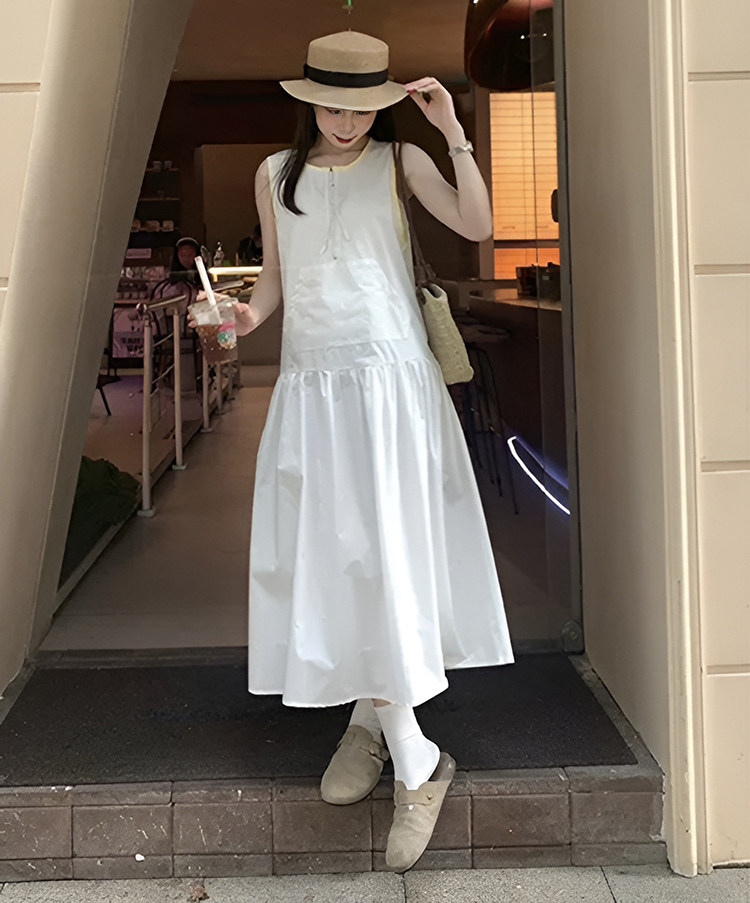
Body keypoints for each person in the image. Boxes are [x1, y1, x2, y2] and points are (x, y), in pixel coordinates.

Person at [206, 31, 514, 872]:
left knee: (381, 554)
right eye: (332, 106)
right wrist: (241, 317)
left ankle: (410, 752)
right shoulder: (275, 174)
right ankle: (375, 722)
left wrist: (452, 131)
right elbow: (275, 282)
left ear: (382, 106)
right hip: (314, 387)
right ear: (308, 101)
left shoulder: (401, 162)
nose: (346, 122)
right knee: (339, 555)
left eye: (362, 109)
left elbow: (479, 223)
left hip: (390, 385)